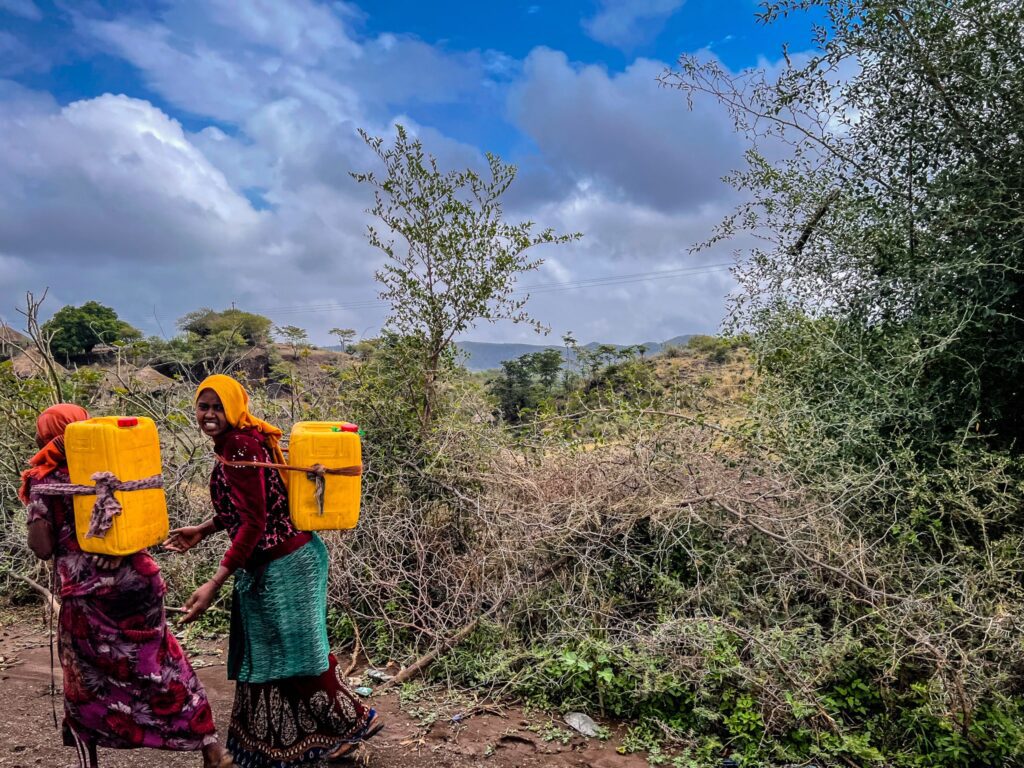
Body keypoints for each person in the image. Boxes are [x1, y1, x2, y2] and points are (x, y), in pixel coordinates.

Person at [164, 374, 382, 766]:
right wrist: (203, 529)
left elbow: (255, 522)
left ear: (234, 408)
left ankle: (352, 725)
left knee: (300, 656)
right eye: (204, 406)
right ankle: (311, 740)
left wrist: (214, 581)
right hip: (278, 562)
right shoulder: (237, 443)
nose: (210, 414)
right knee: (272, 655)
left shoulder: (239, 444)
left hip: (288, 563)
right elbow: (247, 507)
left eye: (218, 407)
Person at [20, 403, 232, 768]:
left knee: (84, 680)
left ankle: (89, 762)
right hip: (140, 583)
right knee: (162, 663)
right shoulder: (118, 464)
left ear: (47, 435)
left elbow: (42, 548)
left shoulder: (46, 478)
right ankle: (212, 748)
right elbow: (142, 518)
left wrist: (37, 503)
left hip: (88, 595)